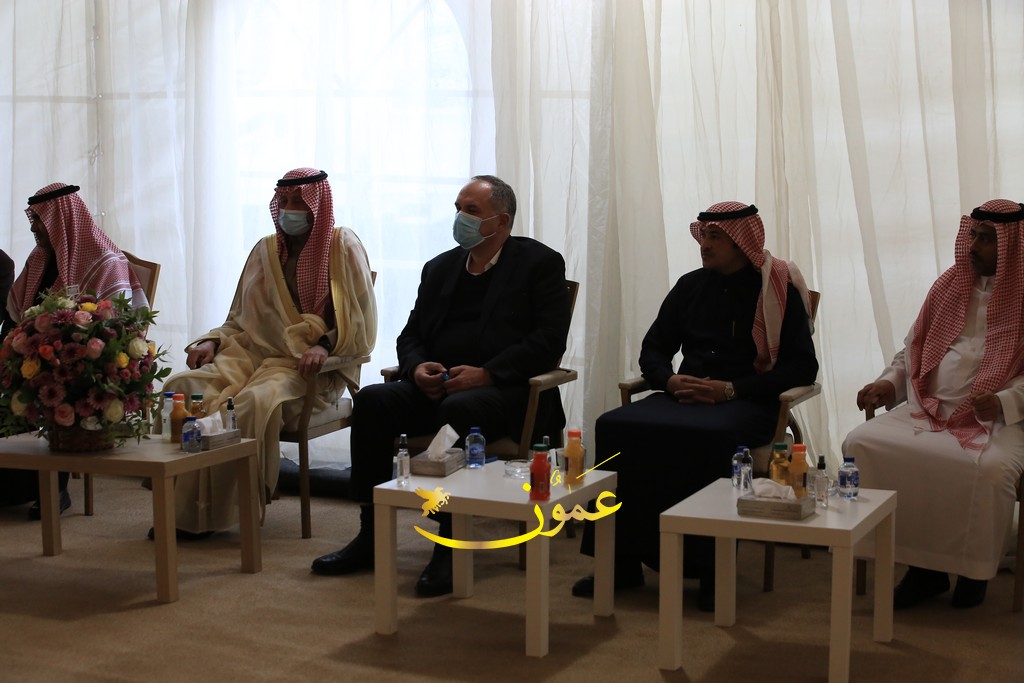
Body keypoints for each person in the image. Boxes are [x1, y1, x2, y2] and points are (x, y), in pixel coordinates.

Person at [310, 175, 571, 597]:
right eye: (458, 208)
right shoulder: (440, 267)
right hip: (437, 386)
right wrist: (416, 369)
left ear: (502, 221)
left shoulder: (539, 263)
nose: (460, 218)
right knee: (373, 401)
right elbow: (410, 335)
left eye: (471, 211)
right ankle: (370, 534)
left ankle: (449, 543)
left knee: (459, 412)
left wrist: (487, 373)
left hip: (506, 393)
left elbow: (548, 341)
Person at [573, 201, 818, 610]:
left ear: (741, 242)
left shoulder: (776, 291)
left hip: (747, 400)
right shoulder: (689, 286)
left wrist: (730, 390)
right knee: (614, 425)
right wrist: (668, 380)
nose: (704, 244)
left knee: (711, 437)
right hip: (684, 395)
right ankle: (621, 562)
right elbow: (653, 349)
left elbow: (802, 367)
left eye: (715, 237)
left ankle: (711, 571)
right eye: (702, 235)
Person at [164, 168, 376, 537]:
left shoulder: (342, 246)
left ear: (317, 206)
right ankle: (179, 506)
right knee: (183, 386)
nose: (289, 209)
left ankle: (222, 510)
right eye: (284, 201)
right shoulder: (264, 251)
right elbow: (238, 319)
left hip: (309, 369)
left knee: (251, 403)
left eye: (298, 202)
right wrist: (211, 341)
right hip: (251, 356)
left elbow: (361, 323)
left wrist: (324, 345)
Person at [844, 199, 1024, 610]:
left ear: (1013, 245)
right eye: (972, 236)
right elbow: (913, 349)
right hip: (930, 407)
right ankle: (923, 570)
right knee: (861, 443)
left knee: (990, 470)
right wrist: (889, 384)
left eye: (986, 239)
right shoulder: (949, 286)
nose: (973, 246)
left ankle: (973, 571)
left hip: (1000, 420)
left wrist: (1004, 401)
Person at [1, 183, 149, 518]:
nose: (34, 227)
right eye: (33, 219)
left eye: (39, 219)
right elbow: (16, 313)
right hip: (39, 354)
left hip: (87, 360)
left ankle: (55, 487)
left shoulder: (104, 261)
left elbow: (116, 326)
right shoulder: (40, 259)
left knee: (56, 384)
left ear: (60, 218)